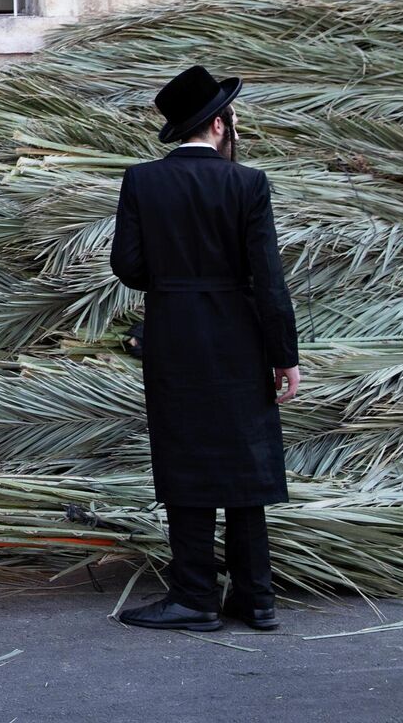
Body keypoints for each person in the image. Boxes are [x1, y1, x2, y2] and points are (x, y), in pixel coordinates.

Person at [111, 66, 301, 633]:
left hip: (176, 336)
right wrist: (284, 356)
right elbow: (269, 279)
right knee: (246, 456)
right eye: (232, 116)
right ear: (219, 125)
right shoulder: (249, 184)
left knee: (186, 457)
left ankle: (195, 596)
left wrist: (176, 279)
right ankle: (256, 597)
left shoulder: (142, 180)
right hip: (242, 338)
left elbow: (128, 267)